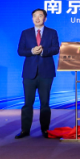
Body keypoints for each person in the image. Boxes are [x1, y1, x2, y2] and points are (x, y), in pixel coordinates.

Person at [16, 8, 59, 139]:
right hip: (29, 73)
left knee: (45, 103)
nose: (37, 18)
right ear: (32, 18)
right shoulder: (25, 33)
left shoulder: (52, 32)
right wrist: (31, 51)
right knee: (27, 103)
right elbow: (20, 51)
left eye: (40, 16)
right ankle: (25, 130)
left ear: (45, 18)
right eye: (35, 16)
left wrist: (42, 51)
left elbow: (56, 49)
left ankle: (45, 129)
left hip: (46, 73)